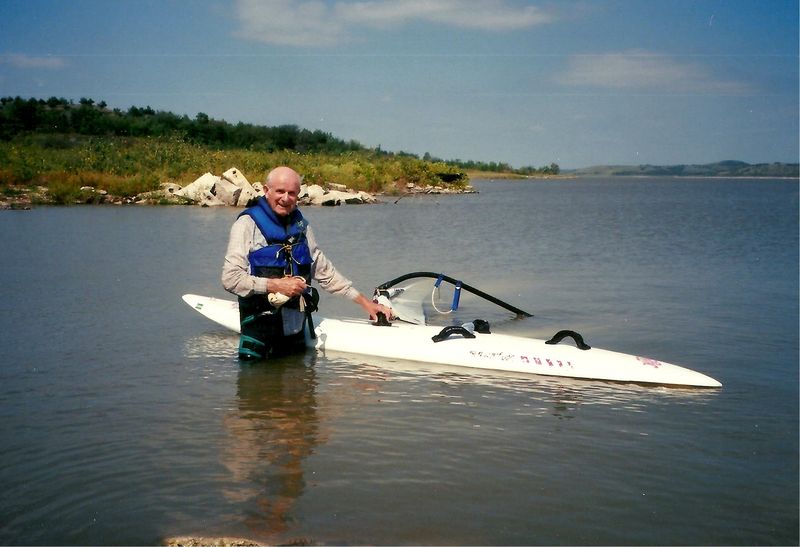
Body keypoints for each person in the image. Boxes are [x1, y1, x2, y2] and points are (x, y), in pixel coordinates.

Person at [222, 166, 393, 360]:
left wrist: (366, 303)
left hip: (295, 339)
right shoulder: (246, 225)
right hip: (258, 343)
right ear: (266, 190)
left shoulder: (302, 228)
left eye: (291, 193)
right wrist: (275, 285)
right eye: (280, 191)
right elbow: (230, 279)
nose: (285, 198)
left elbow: (326, 273)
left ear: (298, 195)